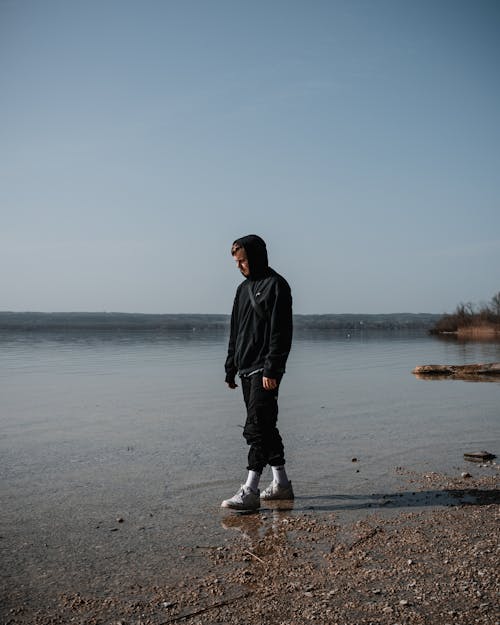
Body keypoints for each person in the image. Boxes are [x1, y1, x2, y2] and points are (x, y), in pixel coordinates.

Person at [221, 234, 294, 511]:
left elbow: (281, 331)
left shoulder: (277, 286)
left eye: (243, 261)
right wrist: (230, 367)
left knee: (255, 427)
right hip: (245, 368)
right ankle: (282, 485)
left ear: (256, 256)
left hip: (265, 369)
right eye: (236, 262)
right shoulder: (242, 290)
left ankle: (250, 490)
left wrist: (273, 367)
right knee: (266, 427)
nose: (239, 266)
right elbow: (235, 331)